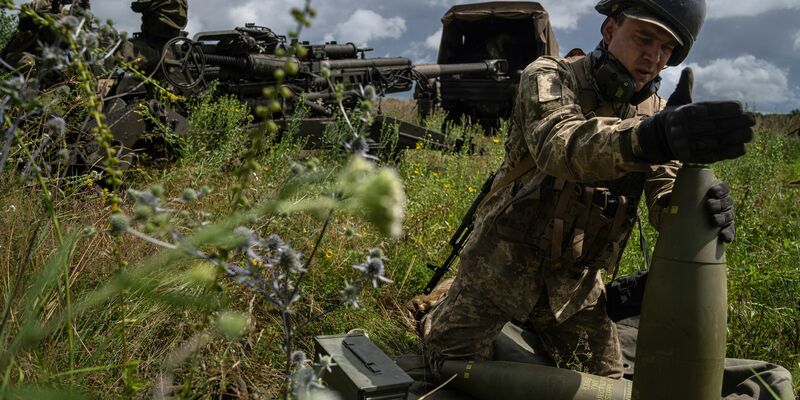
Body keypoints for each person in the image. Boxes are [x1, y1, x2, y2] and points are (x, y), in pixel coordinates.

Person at [417, 0, 755, 380]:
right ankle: (448, 298)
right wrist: (651, 137)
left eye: (666, 49)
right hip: (498, 268)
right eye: (644, 38)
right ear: (610, 30)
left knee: (608, 388)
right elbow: (559, 145)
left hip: (574, 292)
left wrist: (701, 203)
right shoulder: (549, 76)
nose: (653, 57)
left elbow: (666, 205)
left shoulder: (656, 114)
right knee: (447, 368)